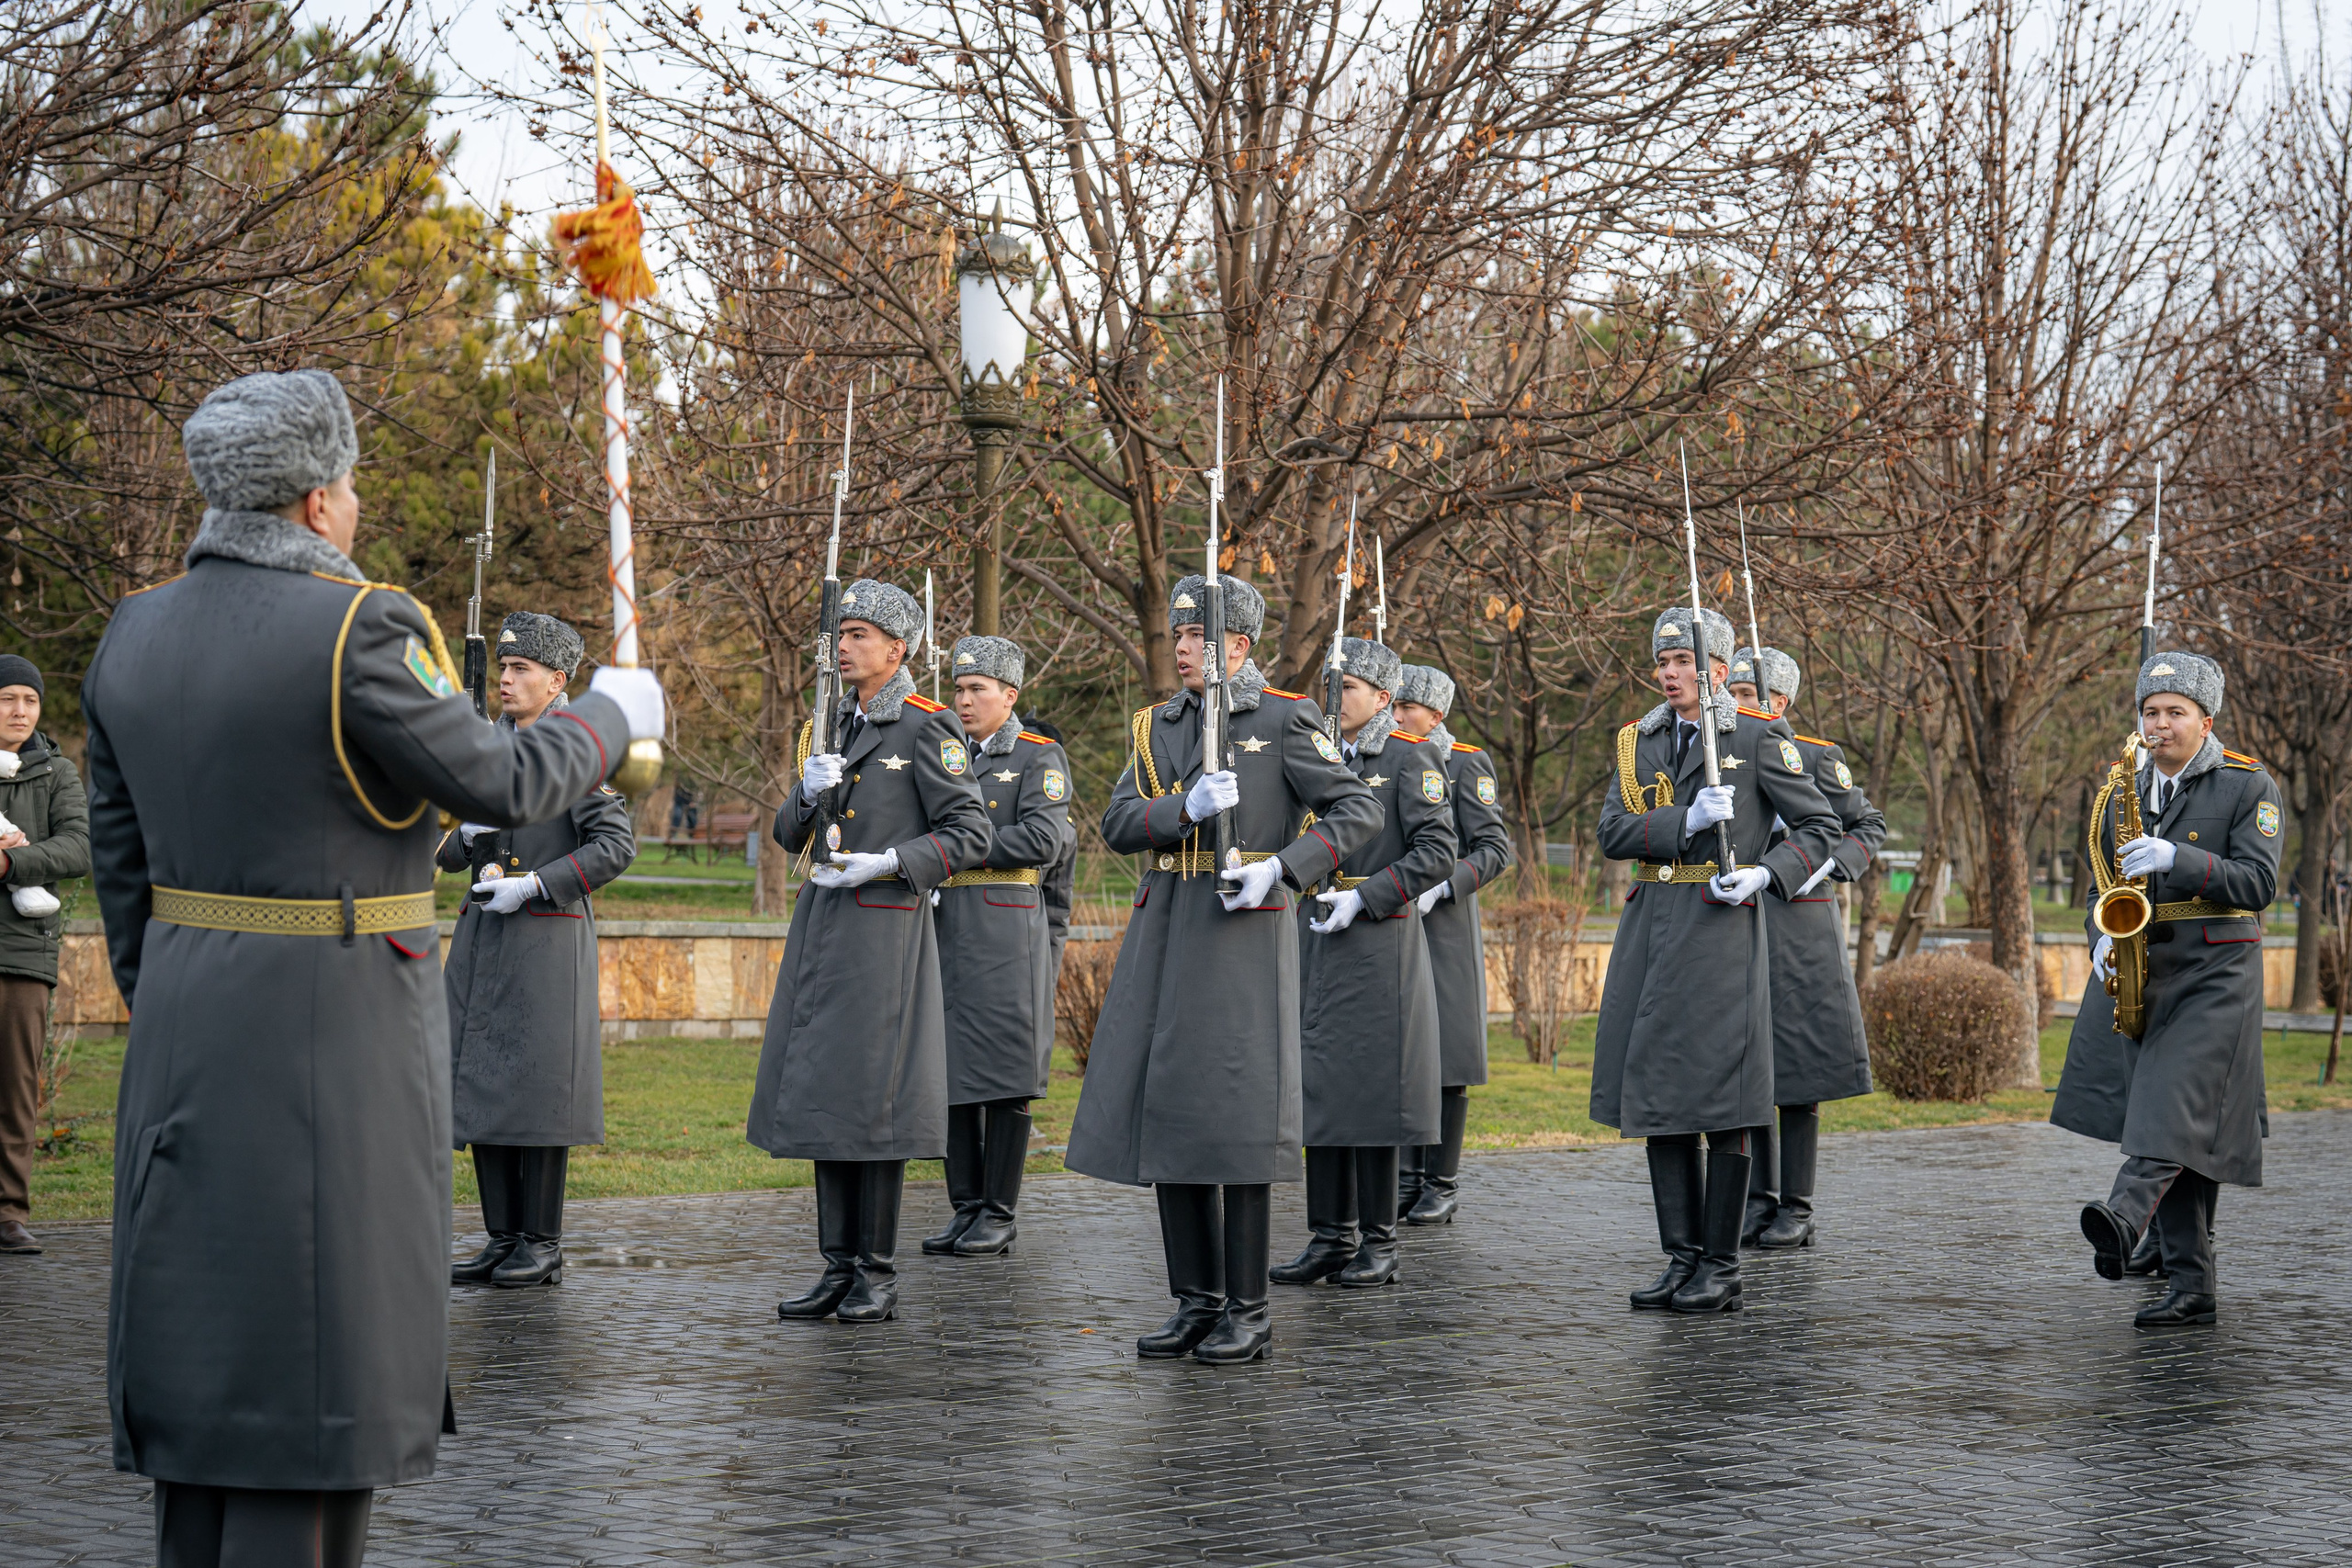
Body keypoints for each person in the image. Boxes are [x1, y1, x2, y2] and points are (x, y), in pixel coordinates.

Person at [82, 369, 662, 1567]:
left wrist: (178, 987)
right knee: (315, 1379)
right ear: (312, 501)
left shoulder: (133, 632)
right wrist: (610, 713)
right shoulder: (361, 626)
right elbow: (500, 780)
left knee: (205, 1364)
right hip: (332, 1035)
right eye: (347, 482)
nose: (353, 503)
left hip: (187, 1023)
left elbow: (121, 858)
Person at [1066, 573, 1378, 1364]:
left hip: (1243, 926)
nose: (1183, 648)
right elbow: (1116, 822)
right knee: (1172, 1110)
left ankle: (1248, 1306)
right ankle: (1195, 1299)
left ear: (1240, 644)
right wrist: (1185, 810)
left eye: (1199, 636)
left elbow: (1357, 810)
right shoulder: (1157, 726)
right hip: (1168, 923)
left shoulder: (1282, 717)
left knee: (1236, 1119)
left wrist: (1286, 868)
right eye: (1178, 635)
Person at [748, 579, 992, 1325]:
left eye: (859, 635)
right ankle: (837, 1264)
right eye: (841, 633)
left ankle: (875, 1274)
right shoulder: (831, 724)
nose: (844, 647)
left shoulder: (925, 726)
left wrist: (890, 862)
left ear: (899, 648)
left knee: (874, 1104)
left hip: (885, 930)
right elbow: (793, 833)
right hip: (825, 927)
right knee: (830, 1095)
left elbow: (970, 832)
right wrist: (804, 790)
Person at [1592, 607, 1842, 1314]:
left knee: (1724, 1097)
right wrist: (1684, 821)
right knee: (1659, 1094)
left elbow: (1823, 827)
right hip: (1652, 925)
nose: (1669, 673)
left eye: (1683, 662)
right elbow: (1614, 829)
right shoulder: (1636, 741)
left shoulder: (1761, 737)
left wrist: (1768, 873)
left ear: (1719, 672)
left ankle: (1722, 1264)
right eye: (1662, 662)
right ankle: (1681, 1257)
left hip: (1721, 925)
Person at [2053, 652, 2280, 1326]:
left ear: (2204, 720)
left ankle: (2124, 1222)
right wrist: (2099, 934)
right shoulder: (2121, 787)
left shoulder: (2247, 785)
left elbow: (2259, 884)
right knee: (2182, 1125)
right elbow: (2099, 878)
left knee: (2169, 1113)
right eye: (2150, 712)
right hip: (2145, 971)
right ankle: (2192, 1284)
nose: (2160, 725)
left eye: (2175, 712)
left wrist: (2179, 857)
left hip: (2217, 972)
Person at [437, 612, 638, 1288]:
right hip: (484, 938)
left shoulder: (573, 749)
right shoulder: (482, 746)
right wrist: (466, 835)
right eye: (503, 666)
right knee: (481, 1084)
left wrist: (536, 885)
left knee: (539, 1092)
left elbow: (614, 845)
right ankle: (502, 1236)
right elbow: (439, 853)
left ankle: (542, 1241)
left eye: (521, 669)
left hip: (545, 937)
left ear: (558, 680)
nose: (506, 678)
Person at [1272, 637, 1453, 1290]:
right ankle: (1329, 1235)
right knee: (1320, 1089)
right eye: (1328, 682)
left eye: (1346, 686)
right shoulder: (1310, 754)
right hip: (1316, 935)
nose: (1333, 695)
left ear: (1383, 698)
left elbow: (1437, 851)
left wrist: (1369, 893)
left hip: (1378, 939)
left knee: (1377, 1095)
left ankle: (1378, 1240)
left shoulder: (1410, 757)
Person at [1725, 646, 1885, 1249]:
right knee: (1748, 1066)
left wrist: (1827, 868)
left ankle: (1796, 1203)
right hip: (1736, 924)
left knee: (1797, 1067)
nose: (1737, 704)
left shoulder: (1816, 757)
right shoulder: (1718, 757)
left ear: (1780, 702)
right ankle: (1756, 1198)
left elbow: (1865, 826)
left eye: (1748, 695)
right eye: (1732, 692)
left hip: (1799, 925)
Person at [922, 634, 1075, 1259]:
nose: (963, 699)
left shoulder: (1039, 755)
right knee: (950, 1070)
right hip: (946, 923)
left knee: (1006, 1075)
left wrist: (961, 840)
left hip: (1008, 928)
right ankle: (965, 1206)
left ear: (1009, 695)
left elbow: (1043, 838)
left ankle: (1000, 1210)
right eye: (957, 688)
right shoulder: (941, 751)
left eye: (976, 689)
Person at [1396, 663, 1514, 1225]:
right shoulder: (1382, 757)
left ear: (1436, 716)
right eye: (1392, 706)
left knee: (1446, 1058)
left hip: (1441, 926)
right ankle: (1402, 1177)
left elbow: (1493, 847)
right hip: (1389, 916)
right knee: (1398, 1050)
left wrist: (1442, 885)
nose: (1396, 717)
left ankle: (1439, 1181)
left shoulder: (1465, 763)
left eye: (1407, 710)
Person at [0, 656, 90, 1257]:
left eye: (29, 700)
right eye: (8, 698)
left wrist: (12, 863)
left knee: (14, 1086)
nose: (19, 710)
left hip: (23, 950)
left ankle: (7, 1211)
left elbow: (79, 846)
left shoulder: (57, 772)